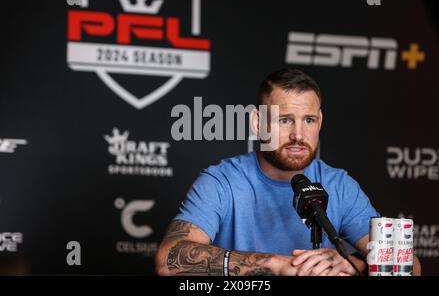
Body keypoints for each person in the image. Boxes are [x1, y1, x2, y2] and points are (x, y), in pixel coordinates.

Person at [155, 68, 421, 276]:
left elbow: (410, 266)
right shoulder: (222, 181)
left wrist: (353, 264)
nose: (298, 135)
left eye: (309, 120)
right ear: (258, 123)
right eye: (284, 120)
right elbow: (169, 260)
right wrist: (278, 265)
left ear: (320, 122)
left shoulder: (339, 184)